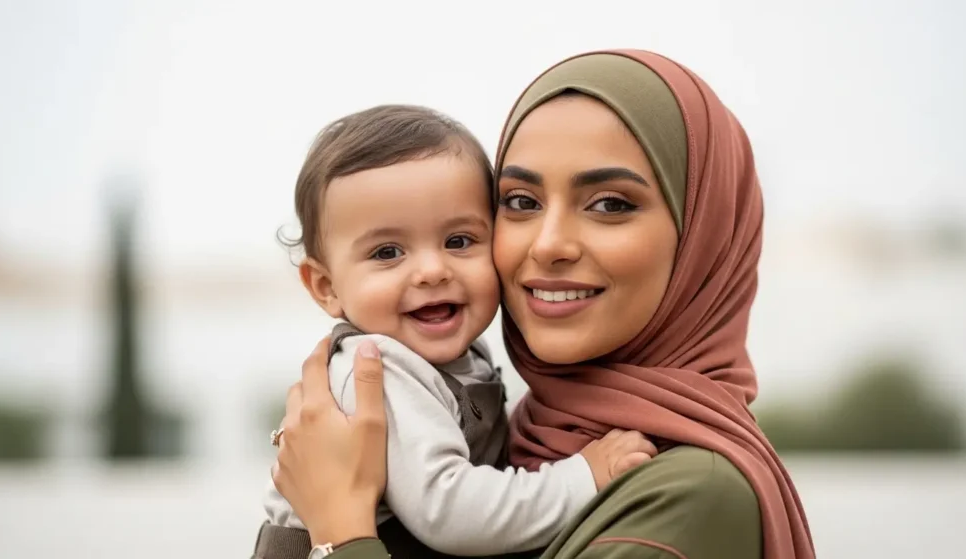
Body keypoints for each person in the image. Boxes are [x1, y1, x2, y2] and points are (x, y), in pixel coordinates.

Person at [266, 49, 817, 559]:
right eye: (522, 201)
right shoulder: (537, 435)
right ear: (323, 284)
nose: (549, 244)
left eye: (609, 204)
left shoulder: (693, 494)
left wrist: (338, 530)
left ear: (705, 233)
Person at [258, 104, 657, 558]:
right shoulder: (380, 369)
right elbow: (451, 511)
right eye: (388, 252)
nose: (431, 270)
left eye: (459, 241)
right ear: (327, 287)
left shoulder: (461, 355)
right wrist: (583, 476)